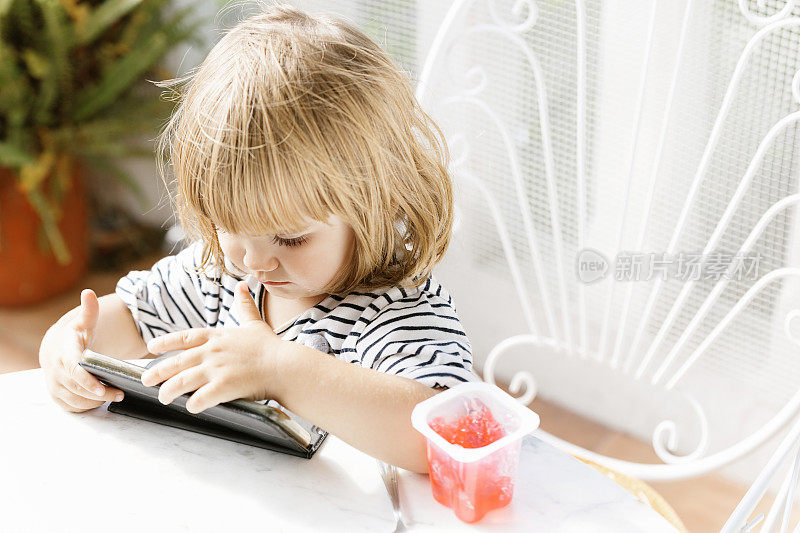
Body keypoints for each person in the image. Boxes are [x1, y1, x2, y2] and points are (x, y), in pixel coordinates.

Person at [38, 2, 481, 473]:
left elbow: (444, 437)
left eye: (290, 239)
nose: (256, 261)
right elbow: (128, 317)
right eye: (232, 226)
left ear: (374, 204)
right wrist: (66, 347)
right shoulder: (223, 272)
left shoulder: (394, 309)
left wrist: (278, 368)